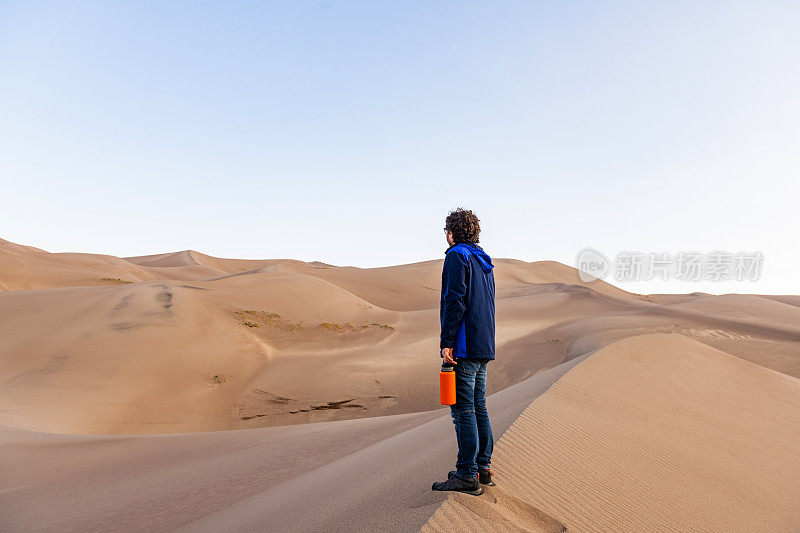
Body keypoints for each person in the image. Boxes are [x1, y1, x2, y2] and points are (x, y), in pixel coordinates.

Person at [431, 208, 496, 496]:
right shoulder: (484, 260)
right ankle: (483, 468)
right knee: (478, 406)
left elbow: (453, 300)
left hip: (466, 345)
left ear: (452, 232)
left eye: (447, 230)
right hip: (484, 345)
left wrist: (447, 341)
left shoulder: (457, 255)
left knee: (463, 410)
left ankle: (467, 474)